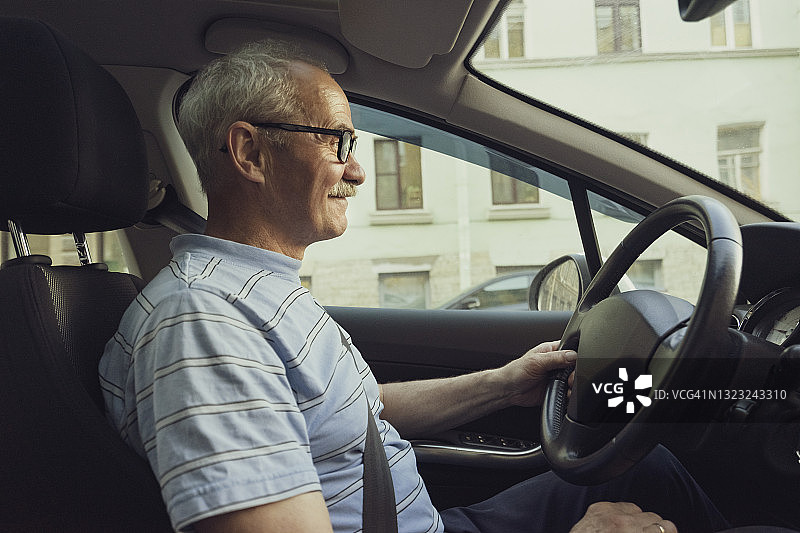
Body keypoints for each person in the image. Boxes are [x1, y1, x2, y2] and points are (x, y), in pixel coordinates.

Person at [99, 40, 728, 533]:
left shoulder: (253, 291)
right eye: (336, 140)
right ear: (251, 154)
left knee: (648, 469)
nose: (358, 170)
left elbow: (349, 411)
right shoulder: (204, 327)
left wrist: (503, 385)